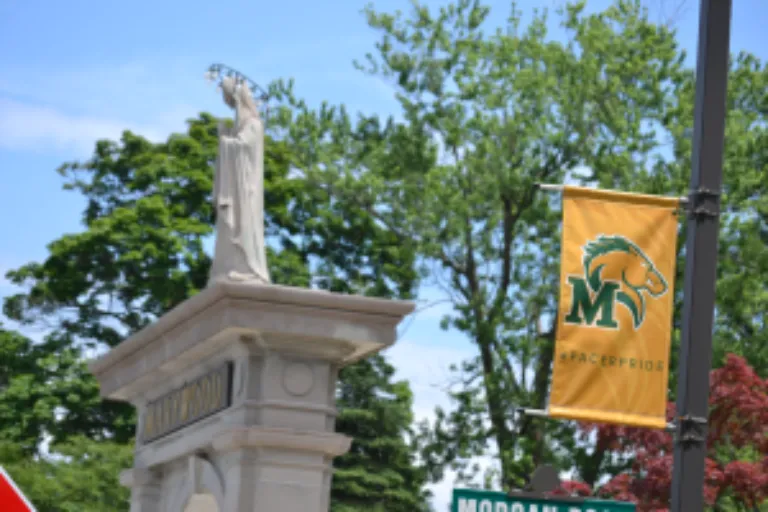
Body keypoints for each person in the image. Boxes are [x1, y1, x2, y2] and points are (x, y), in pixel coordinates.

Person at [208, 76, 270, 285]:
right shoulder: (241, 127)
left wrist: (226, 142)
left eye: (230, 100)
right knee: (229, 229)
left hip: (245, 190)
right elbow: (236, 144)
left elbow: (243, 148)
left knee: (245, 225)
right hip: (236, 187)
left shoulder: (253, 124)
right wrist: (226, 137)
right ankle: (231, 266)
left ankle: (249, 268)